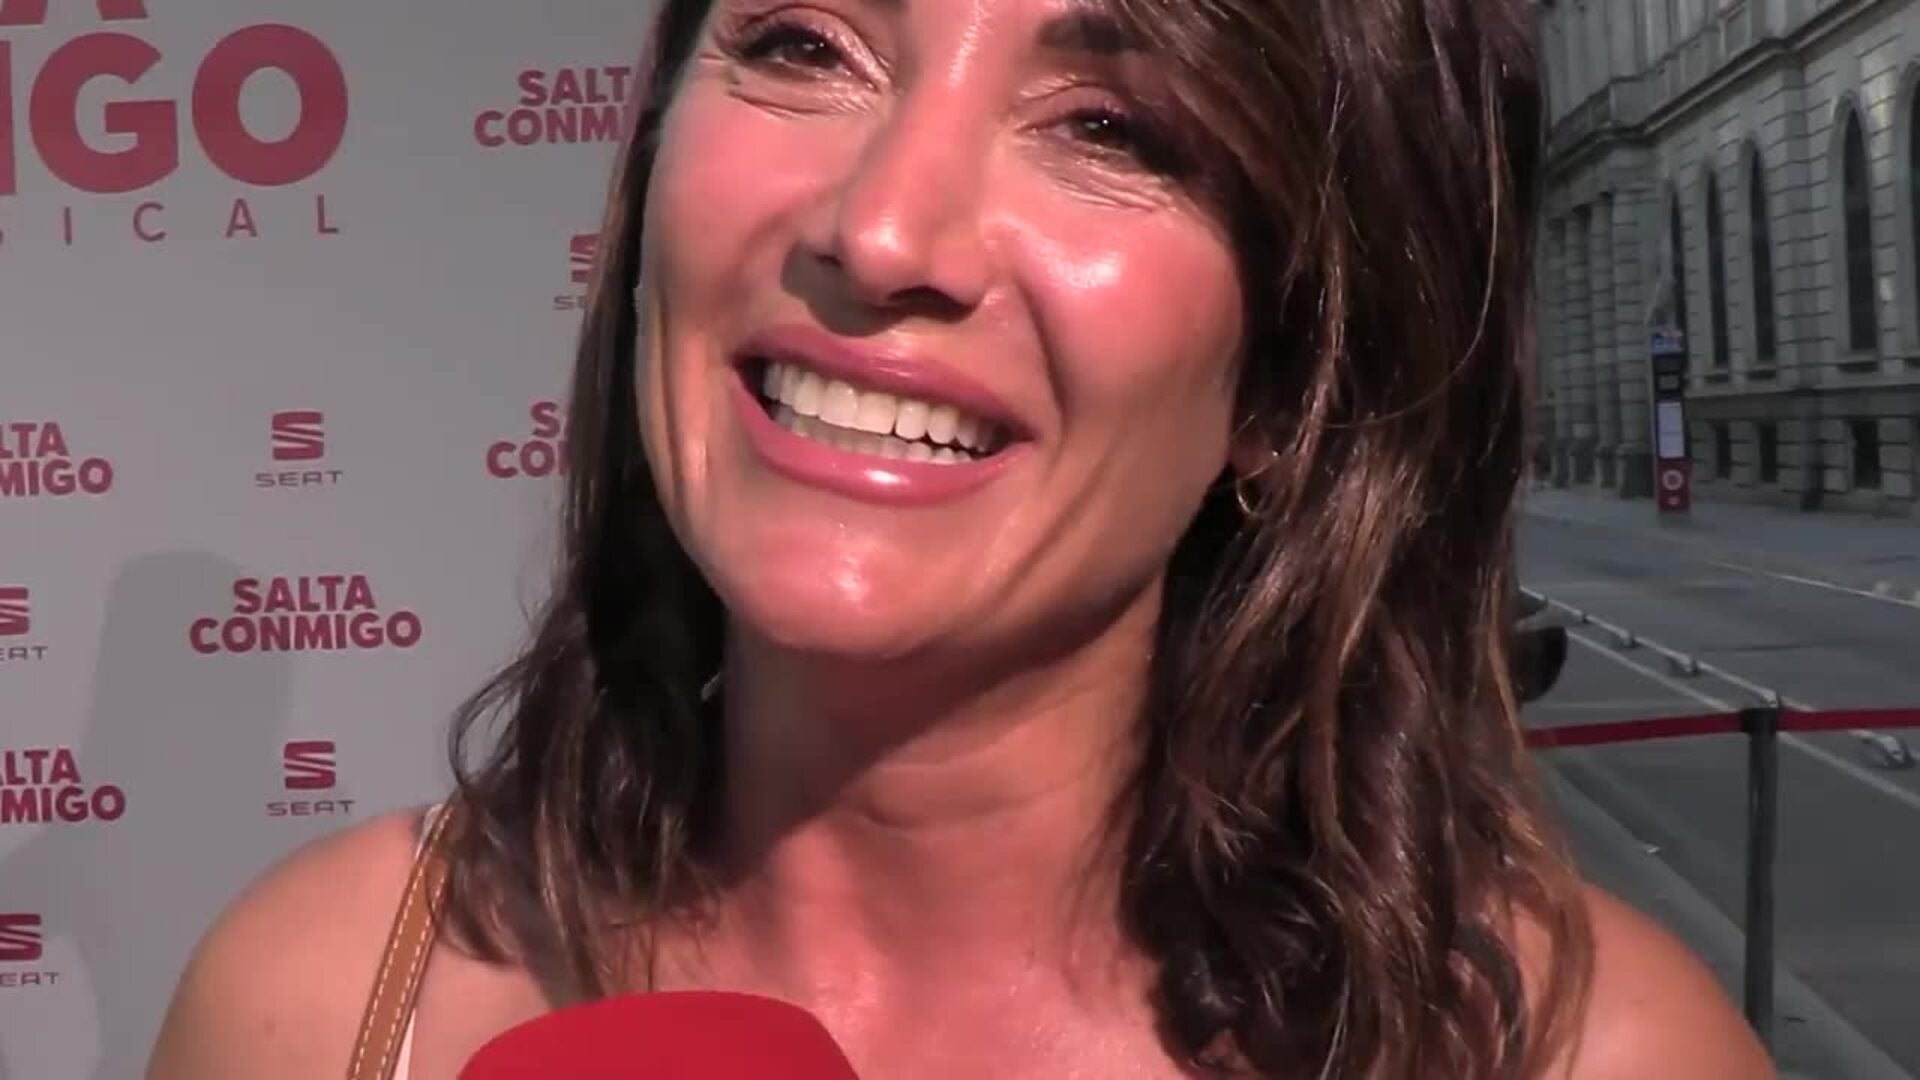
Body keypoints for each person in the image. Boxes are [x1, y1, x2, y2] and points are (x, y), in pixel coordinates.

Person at [148, 0, 1774, 1076]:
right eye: (804, 44)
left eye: (1113, 128)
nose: (880, 231)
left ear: (1293, 376)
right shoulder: (321, 1000)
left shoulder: (1588, 1055)